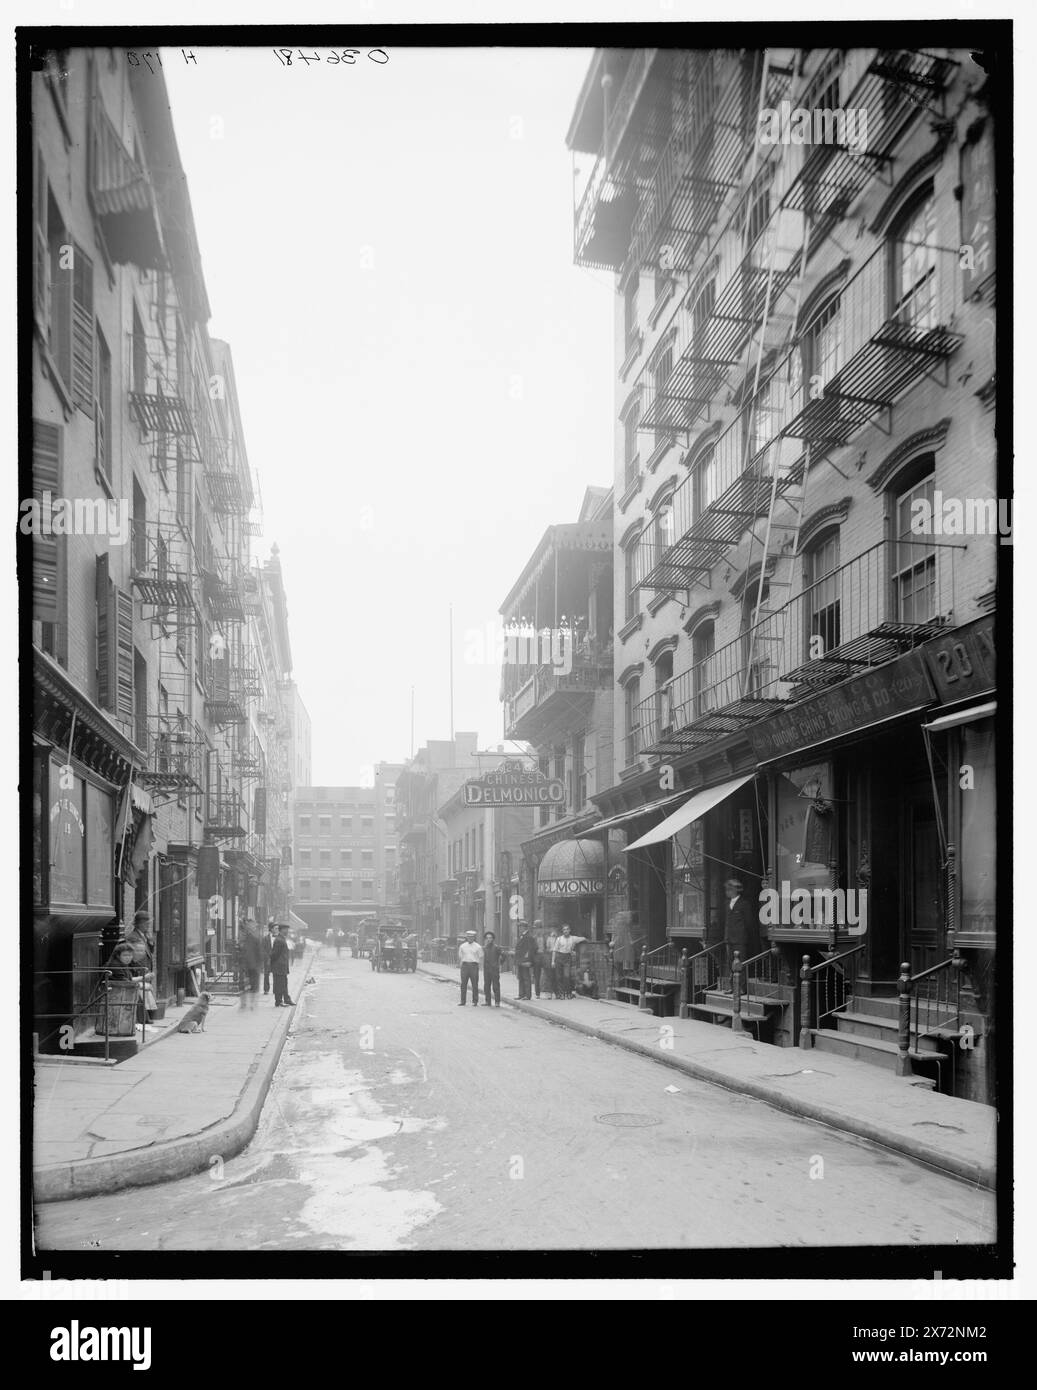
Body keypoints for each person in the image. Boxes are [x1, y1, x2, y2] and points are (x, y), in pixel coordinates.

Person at [724, 878, 757, 959]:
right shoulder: (727, 903)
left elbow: (748, 923)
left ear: (735, 890)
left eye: (729, 889)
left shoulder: (744, 904)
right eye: (727, 889)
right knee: (730, 964)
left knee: (740, 964)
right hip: (728, 940)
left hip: (739, 941)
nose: (727, 891)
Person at [551, 924, 587, 999]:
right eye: (564, 929)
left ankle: (567, 993)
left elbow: (583, 938)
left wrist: (586, 939)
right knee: (559, 977)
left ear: (569, 930)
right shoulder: (559, 939)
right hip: (559, 957)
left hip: (567, 958)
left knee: (567, 976)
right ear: (562, 931)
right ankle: (561, 994)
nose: (566, 931)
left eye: (567, 929)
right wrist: (553, 961)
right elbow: (554, 950)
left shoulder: (573, 938)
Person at [240, 918, 263, 1009]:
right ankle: (244, 1003)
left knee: (254, 986)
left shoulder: (256, 938)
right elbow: (240, 951)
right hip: (244, 966)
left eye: (252, 925)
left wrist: (259, 966)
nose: (250, 927)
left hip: (253, 966)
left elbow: (260, 953)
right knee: (243, 985)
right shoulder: (243, 938)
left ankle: (253, 1004)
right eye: (248, 925)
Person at [270, 924, 294, 1007]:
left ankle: (286, 999)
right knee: (279, 984)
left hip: (282, 966)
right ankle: (279, 1001)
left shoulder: (281, 939)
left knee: (283, 984)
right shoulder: (279, 940)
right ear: (281, 930)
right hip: (279, 967)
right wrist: (274, 965)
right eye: (286, 929)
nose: (287, 931)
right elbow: (274, 954)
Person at [457, 929, 483, 1006]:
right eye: (468, 937)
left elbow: (481, 956)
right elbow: (460, 956)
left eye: (472, 937)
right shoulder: (462, 946)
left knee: (474, 984)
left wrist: (479, 967)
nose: (470, 938)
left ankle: (475, 1001)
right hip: (465, 965)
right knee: (463, 984)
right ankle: (463, 1001)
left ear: (474, 938)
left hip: (474, 966)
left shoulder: (478, 947)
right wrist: (461, 965)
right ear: (466, 937)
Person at [514, 921, 536, 1000]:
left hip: (525, 961)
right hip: (520, 960)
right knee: (521, 978)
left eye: (521, 926)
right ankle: (521, 994)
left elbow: (531, 950)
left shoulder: (529, 937)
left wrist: (528, 960)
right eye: (519, 926)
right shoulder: (522, 936)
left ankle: (527, 995)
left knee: (526, 978)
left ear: (525, 927)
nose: (519, 928)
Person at [482, 931, 502, 1007]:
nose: (488, 939)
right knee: (486, 986)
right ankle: (488, 1002)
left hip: (494, 970)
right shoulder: (484, 948)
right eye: (487, 938)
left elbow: (503, 956)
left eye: (490, 938)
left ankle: (497, 1002)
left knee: (496, 986)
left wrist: (499, 964)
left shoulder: (497, 947)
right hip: (486, 970)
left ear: (493, 939)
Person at [262, 921, 277, 994]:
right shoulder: (265, 938)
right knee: (266, 974)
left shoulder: (279, 938)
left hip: (276, 959)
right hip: (268, 959)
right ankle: (266, 989)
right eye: (275, 928)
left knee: (276, 975)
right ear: (271, 929)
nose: (276, 930)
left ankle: (275, 989)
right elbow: (263, 949)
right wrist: (267, 957)